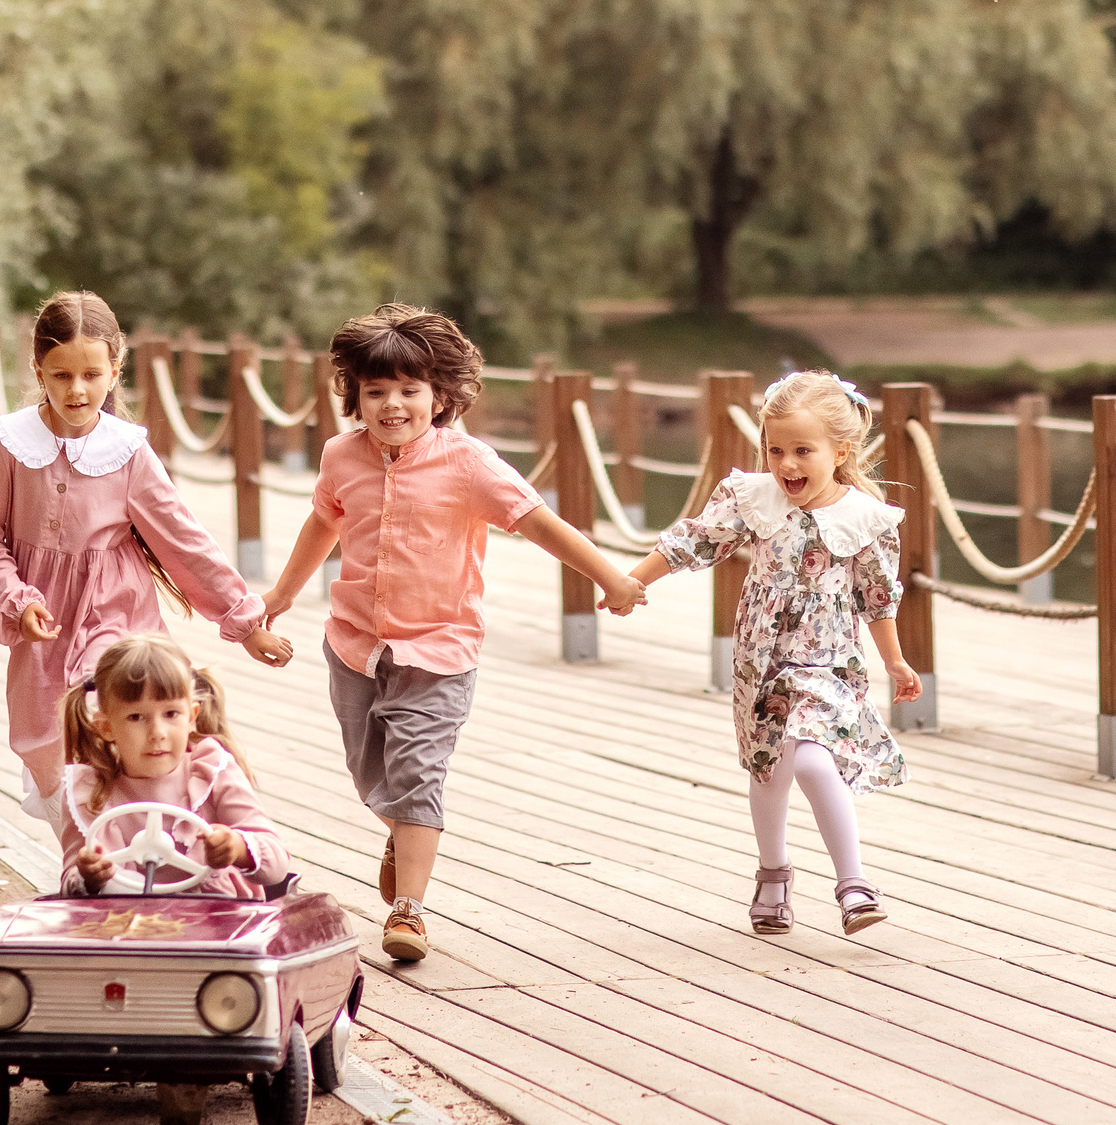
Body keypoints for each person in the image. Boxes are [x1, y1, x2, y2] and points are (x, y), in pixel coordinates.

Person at [259, 304, 645, 963]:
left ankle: (409, 909)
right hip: (354, 643)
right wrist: (281, 594)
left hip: (438, 650)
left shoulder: (470, 463)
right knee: (367, 775)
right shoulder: (340, 455)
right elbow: (322, 522)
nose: (392, 405)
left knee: (418, 775)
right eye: (376, 391)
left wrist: (611, 576)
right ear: (355, 394)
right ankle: (404, 833)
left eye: (409, 390)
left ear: (440, 394)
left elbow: (538, 521)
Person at [0, 291, 291, 859]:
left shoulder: (128, 453)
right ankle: (87, 873)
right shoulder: (12, 444)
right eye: (61, 374)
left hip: (119, 620)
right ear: (38, 368)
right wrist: (15, 600)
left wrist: (245, 620)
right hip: (42, 631)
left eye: (92, 374)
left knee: (120, 724)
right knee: (50, 749)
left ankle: (156, 857)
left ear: (115, 370)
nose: (77, 390)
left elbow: (184, 542)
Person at [624, 370, 917, 936]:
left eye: (802, 451)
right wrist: (632, 581)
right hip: (762, 659)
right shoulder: (752, 499)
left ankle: (853, 883)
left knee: (809, 753)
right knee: (768, 769)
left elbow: (877, 598)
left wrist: (895, 660)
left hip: (827, 660)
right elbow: (692, 542)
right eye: (775, 449)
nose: (786, 464)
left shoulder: (866, 520)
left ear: (841, 451)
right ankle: (773, 874)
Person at [56, 635, 291, 899]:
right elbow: (70, 882)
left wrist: (237, 848)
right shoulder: (91, 792)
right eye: (136, 717)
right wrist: (90, 875)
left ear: (192, 717)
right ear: (106, 727)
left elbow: (277, 865)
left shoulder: (212, 770)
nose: (157, 733)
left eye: (171, 714)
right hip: (128, 922)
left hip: (219, 918)